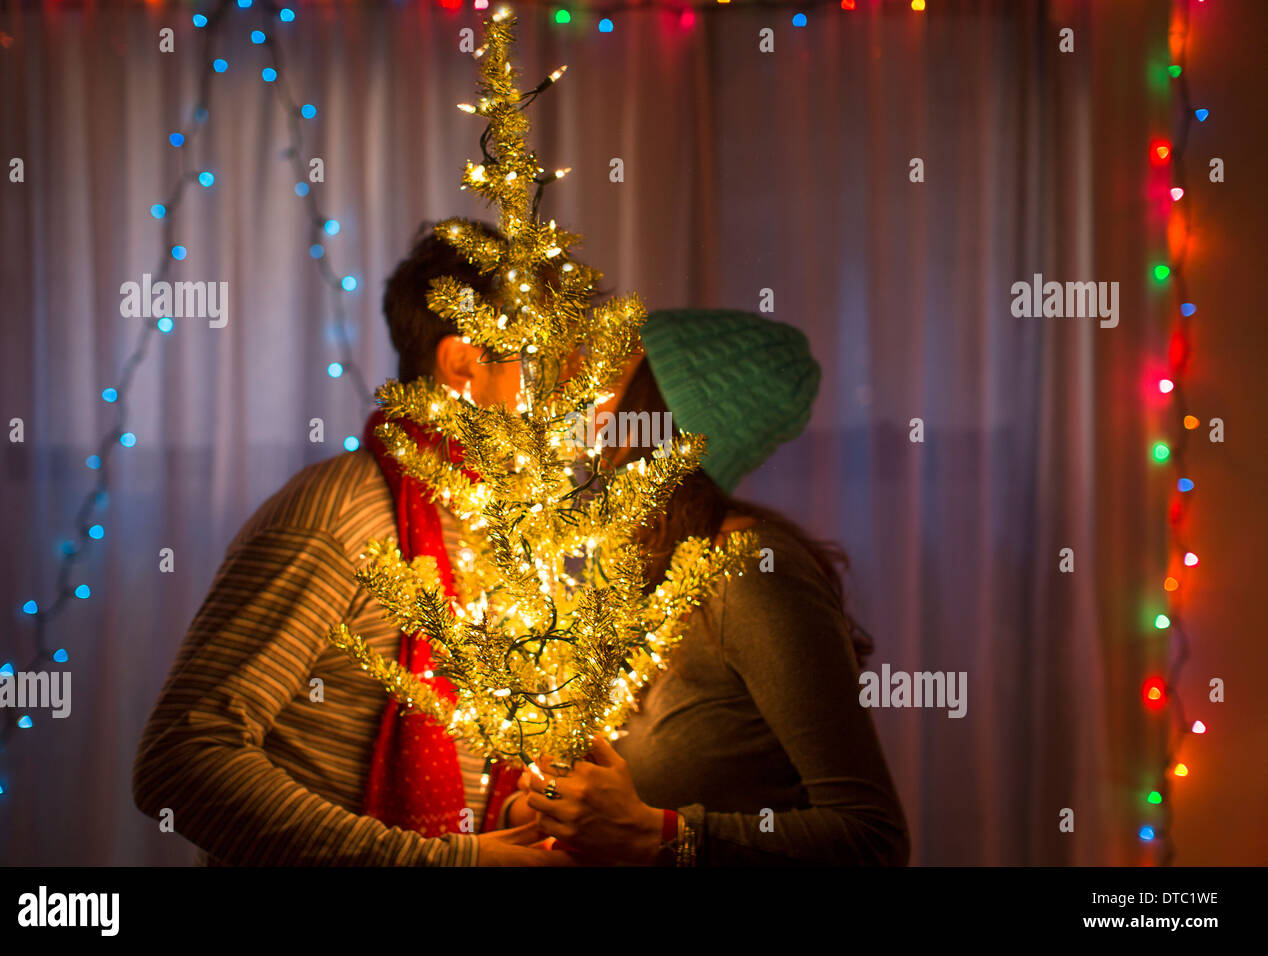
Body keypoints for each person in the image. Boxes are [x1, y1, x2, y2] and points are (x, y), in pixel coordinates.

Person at [131, 220, 566, 866]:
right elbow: (183, 760)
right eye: (542, 356)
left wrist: (516, 810)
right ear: (464, 363)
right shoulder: (337, 516)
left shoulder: (498, 526)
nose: (565, 387)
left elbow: (460, 757)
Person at [515, 309, 911, 866]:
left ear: (662, 418)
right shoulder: (633, 566)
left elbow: (873, 839)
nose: (581, 395)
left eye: (609, 380)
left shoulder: (751, 574)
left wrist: (657, 835)